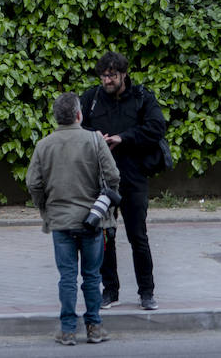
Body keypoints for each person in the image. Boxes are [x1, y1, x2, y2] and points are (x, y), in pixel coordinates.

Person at [27, 92, 121, 347]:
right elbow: (113, 176)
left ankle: (68, 330)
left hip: (60, 222)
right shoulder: (94, 140)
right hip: (92, 220)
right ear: (79, 115)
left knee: (67, 276)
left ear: (56, 118)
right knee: (92, 276)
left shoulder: (44, 145)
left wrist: (45, 209)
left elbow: (33, 183)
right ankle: (94, 328)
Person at [80, 51, 166, 310]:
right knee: (105, 235)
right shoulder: (91, 98)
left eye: (112, 75)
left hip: (132, 176)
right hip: (101, 179)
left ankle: (147, 292)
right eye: (104, 76)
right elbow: (78, 127)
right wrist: (93, 136)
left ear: (124, 74)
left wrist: (123, 138)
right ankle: (110, 290)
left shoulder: (141, 97)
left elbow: (156, 128)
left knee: (138, 236)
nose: (107, 81)